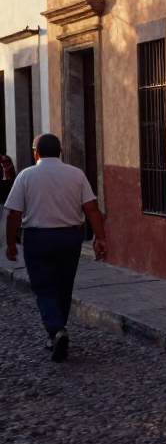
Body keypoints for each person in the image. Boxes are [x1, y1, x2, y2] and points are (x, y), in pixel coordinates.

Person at [4, 134, 107, 361]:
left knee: (43, 286)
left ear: (36, 152)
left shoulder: (26, 176)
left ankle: (56, 329)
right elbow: (91, 208)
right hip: (69, 237)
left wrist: (10, 241)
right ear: (61, 152)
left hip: (37, 238)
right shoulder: (76, 174)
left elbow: (14, 214)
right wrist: (100, 237)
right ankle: (56, 332)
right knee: (64, 284)